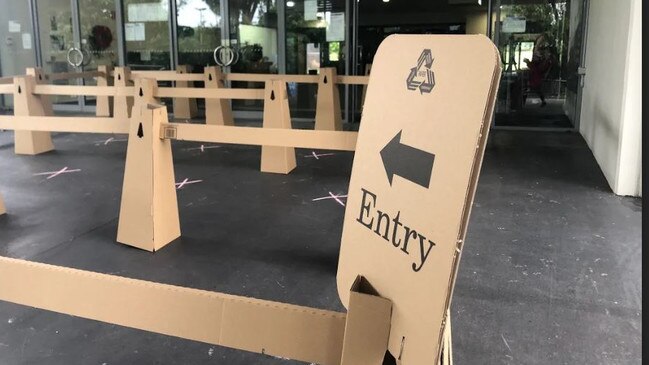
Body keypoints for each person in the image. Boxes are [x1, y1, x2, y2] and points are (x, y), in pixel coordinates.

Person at [523, 33, 554, 107]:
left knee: (531, 88)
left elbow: (538, 68)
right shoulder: (539, 53)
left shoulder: (544, 55)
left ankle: (523, 102)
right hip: (535, 75)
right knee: (532, 89)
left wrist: (529, 63)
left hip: (536, 76)